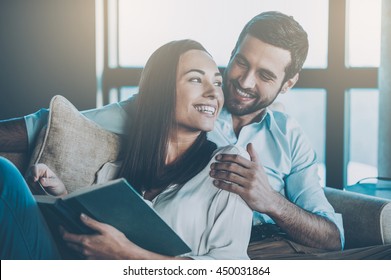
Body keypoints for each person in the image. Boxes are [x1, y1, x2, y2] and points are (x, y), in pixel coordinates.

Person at [2, 12, 391, 259]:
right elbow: (53, 123)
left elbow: (331, 236)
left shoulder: (287, 137)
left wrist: (269, 200)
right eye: (240, 63)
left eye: (266, 75)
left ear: (288, 85)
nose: (242, 82)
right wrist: (60, 195)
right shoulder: (166, 114)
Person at [0, 39, 253, 260]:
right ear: (161, 89)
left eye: (217, 82)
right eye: (196, 79)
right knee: (6, 177)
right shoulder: (115, 169)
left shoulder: (229, 166)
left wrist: (129, 256)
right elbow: (90, 240)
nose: (213, 93)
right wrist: (60, 198)